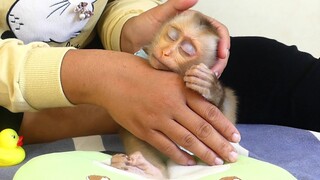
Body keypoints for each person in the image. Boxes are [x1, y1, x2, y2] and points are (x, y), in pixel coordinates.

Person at [0, 0, 240, 166]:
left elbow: (107, 7)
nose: (169, 51)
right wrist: (105, 76)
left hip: (101, 52)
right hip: (14, 81)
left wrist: (129, 28)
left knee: (272, 65)